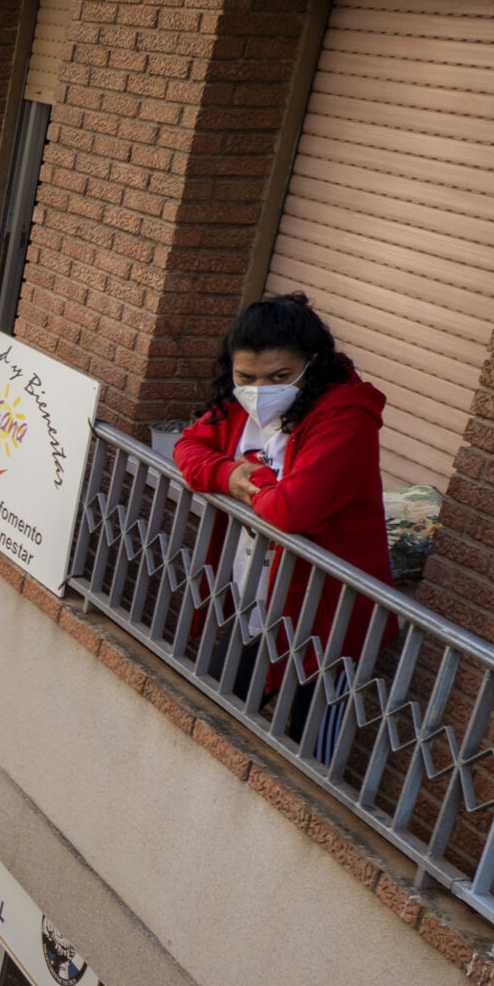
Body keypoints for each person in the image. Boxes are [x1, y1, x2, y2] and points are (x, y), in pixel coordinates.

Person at [174, 293, 391, 753]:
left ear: (312, 364)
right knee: (209, 710)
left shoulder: (345, 418)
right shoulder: (239, 405)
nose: (260, 389)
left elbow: (293, 509)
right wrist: (229, 473)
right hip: (260, 601)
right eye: (246, 376)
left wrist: (256, 482)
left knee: (311, 754)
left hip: (325, 616)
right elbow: (189, 447)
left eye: (279, 376)